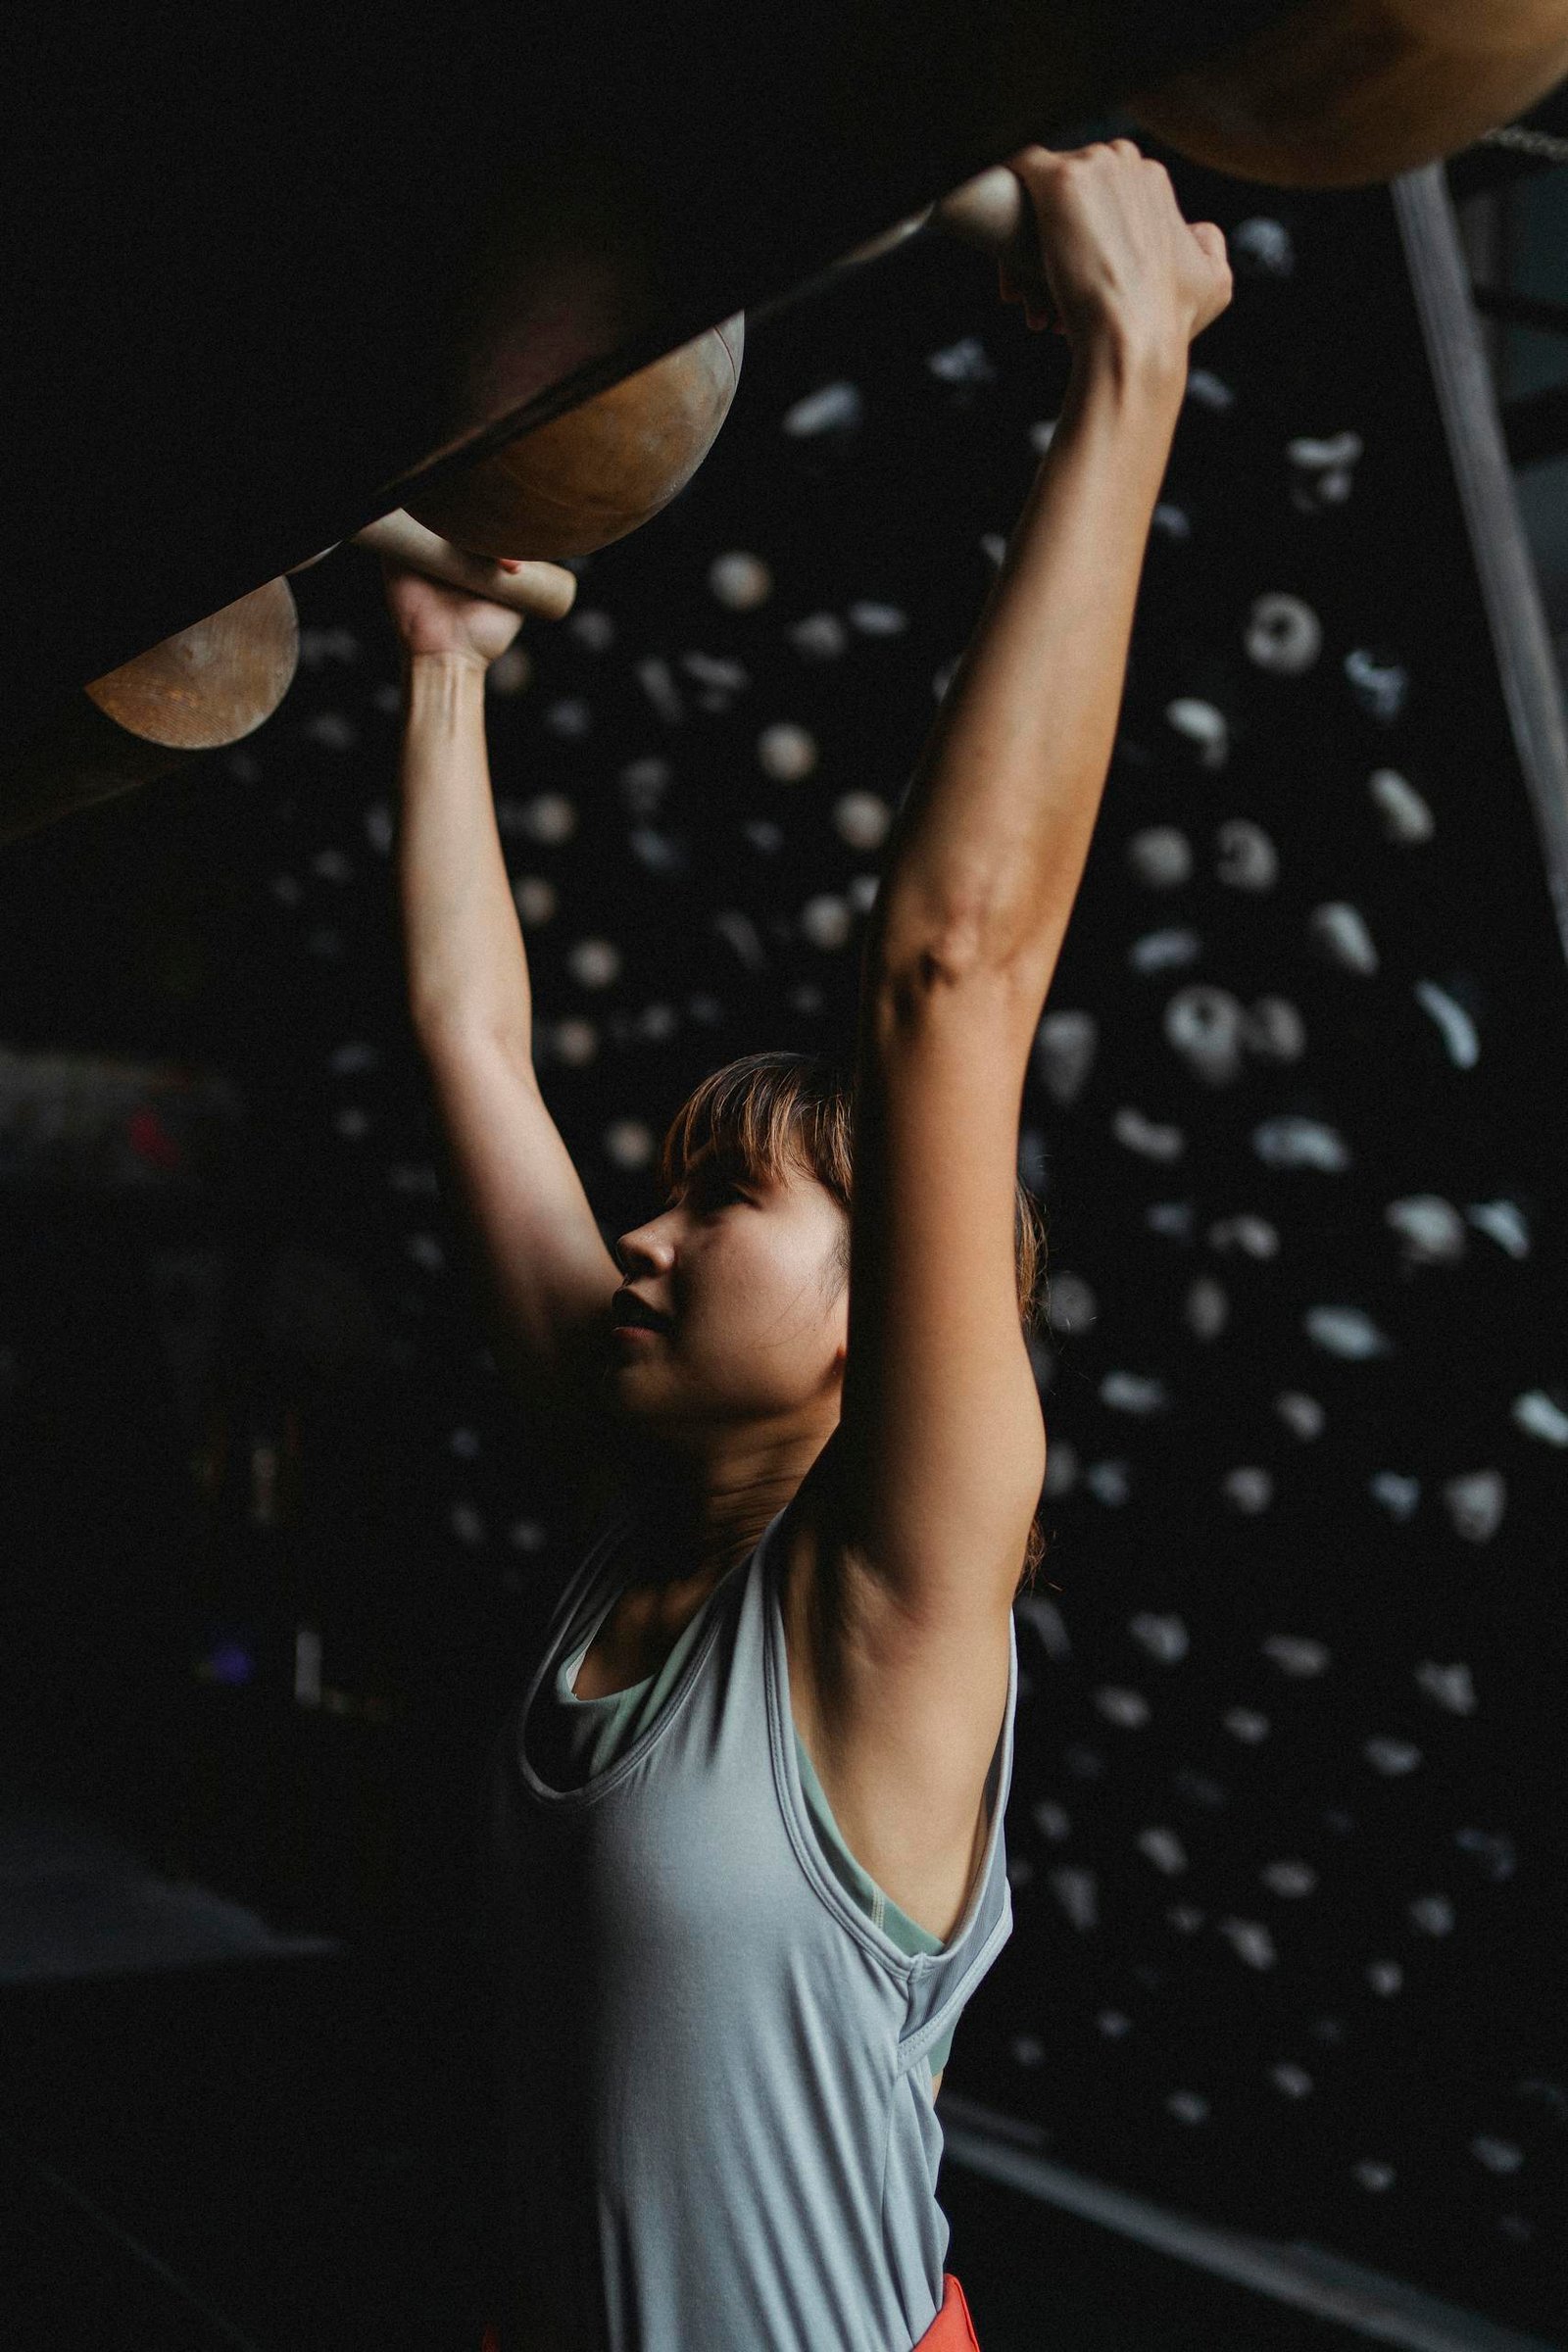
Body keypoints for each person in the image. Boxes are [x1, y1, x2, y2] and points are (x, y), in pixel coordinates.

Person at [382, 139, 1231, 2352]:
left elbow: (950, 973)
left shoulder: (892, 1607)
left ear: (886, 1326)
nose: (641, 1239)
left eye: (723, 1201)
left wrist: (1124, 370)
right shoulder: (629, 1497)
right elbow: (473, 1039)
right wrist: (449, 668)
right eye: (658, 1193)